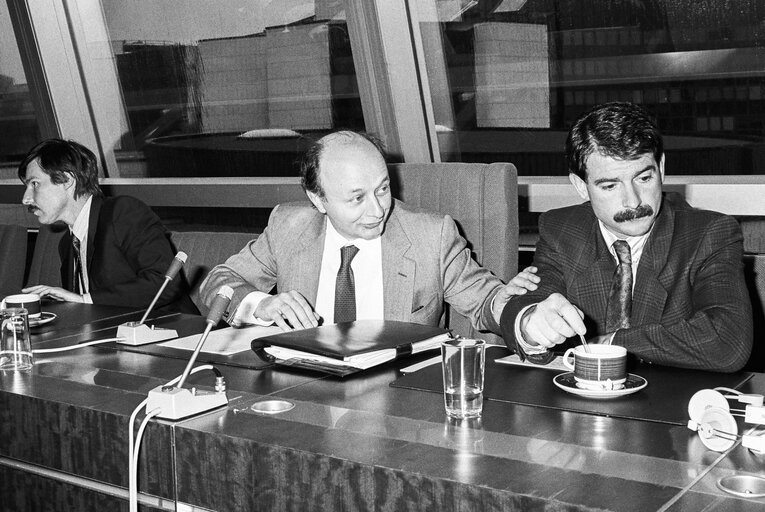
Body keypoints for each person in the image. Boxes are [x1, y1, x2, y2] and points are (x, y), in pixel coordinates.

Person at [199, 130, 539, 333]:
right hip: (304, 392)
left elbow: (484, 299)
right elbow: (219, 282)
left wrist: (516, 310)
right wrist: (262, 306)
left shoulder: (430, 236)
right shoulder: (288, 227)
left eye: (383, 188)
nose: (378, 210)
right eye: (356, 198)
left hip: (398, 401)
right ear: (318, 199)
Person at [500, 102, 752, 372]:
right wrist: (530, 322)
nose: (632, 201)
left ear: (661, 168)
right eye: (609, 186)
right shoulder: (561, 229)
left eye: (643, 178)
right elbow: (528, 303)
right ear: (580, 186)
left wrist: (614, 343)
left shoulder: (708, 234)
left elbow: (727, 342)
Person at [19, 138, 197, 312]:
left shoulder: (122, 213)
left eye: (34, 184)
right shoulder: (66, 244)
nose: (26, 199)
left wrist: (85, 300)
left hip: (175, 334)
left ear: (67, 180)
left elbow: (165, 283)